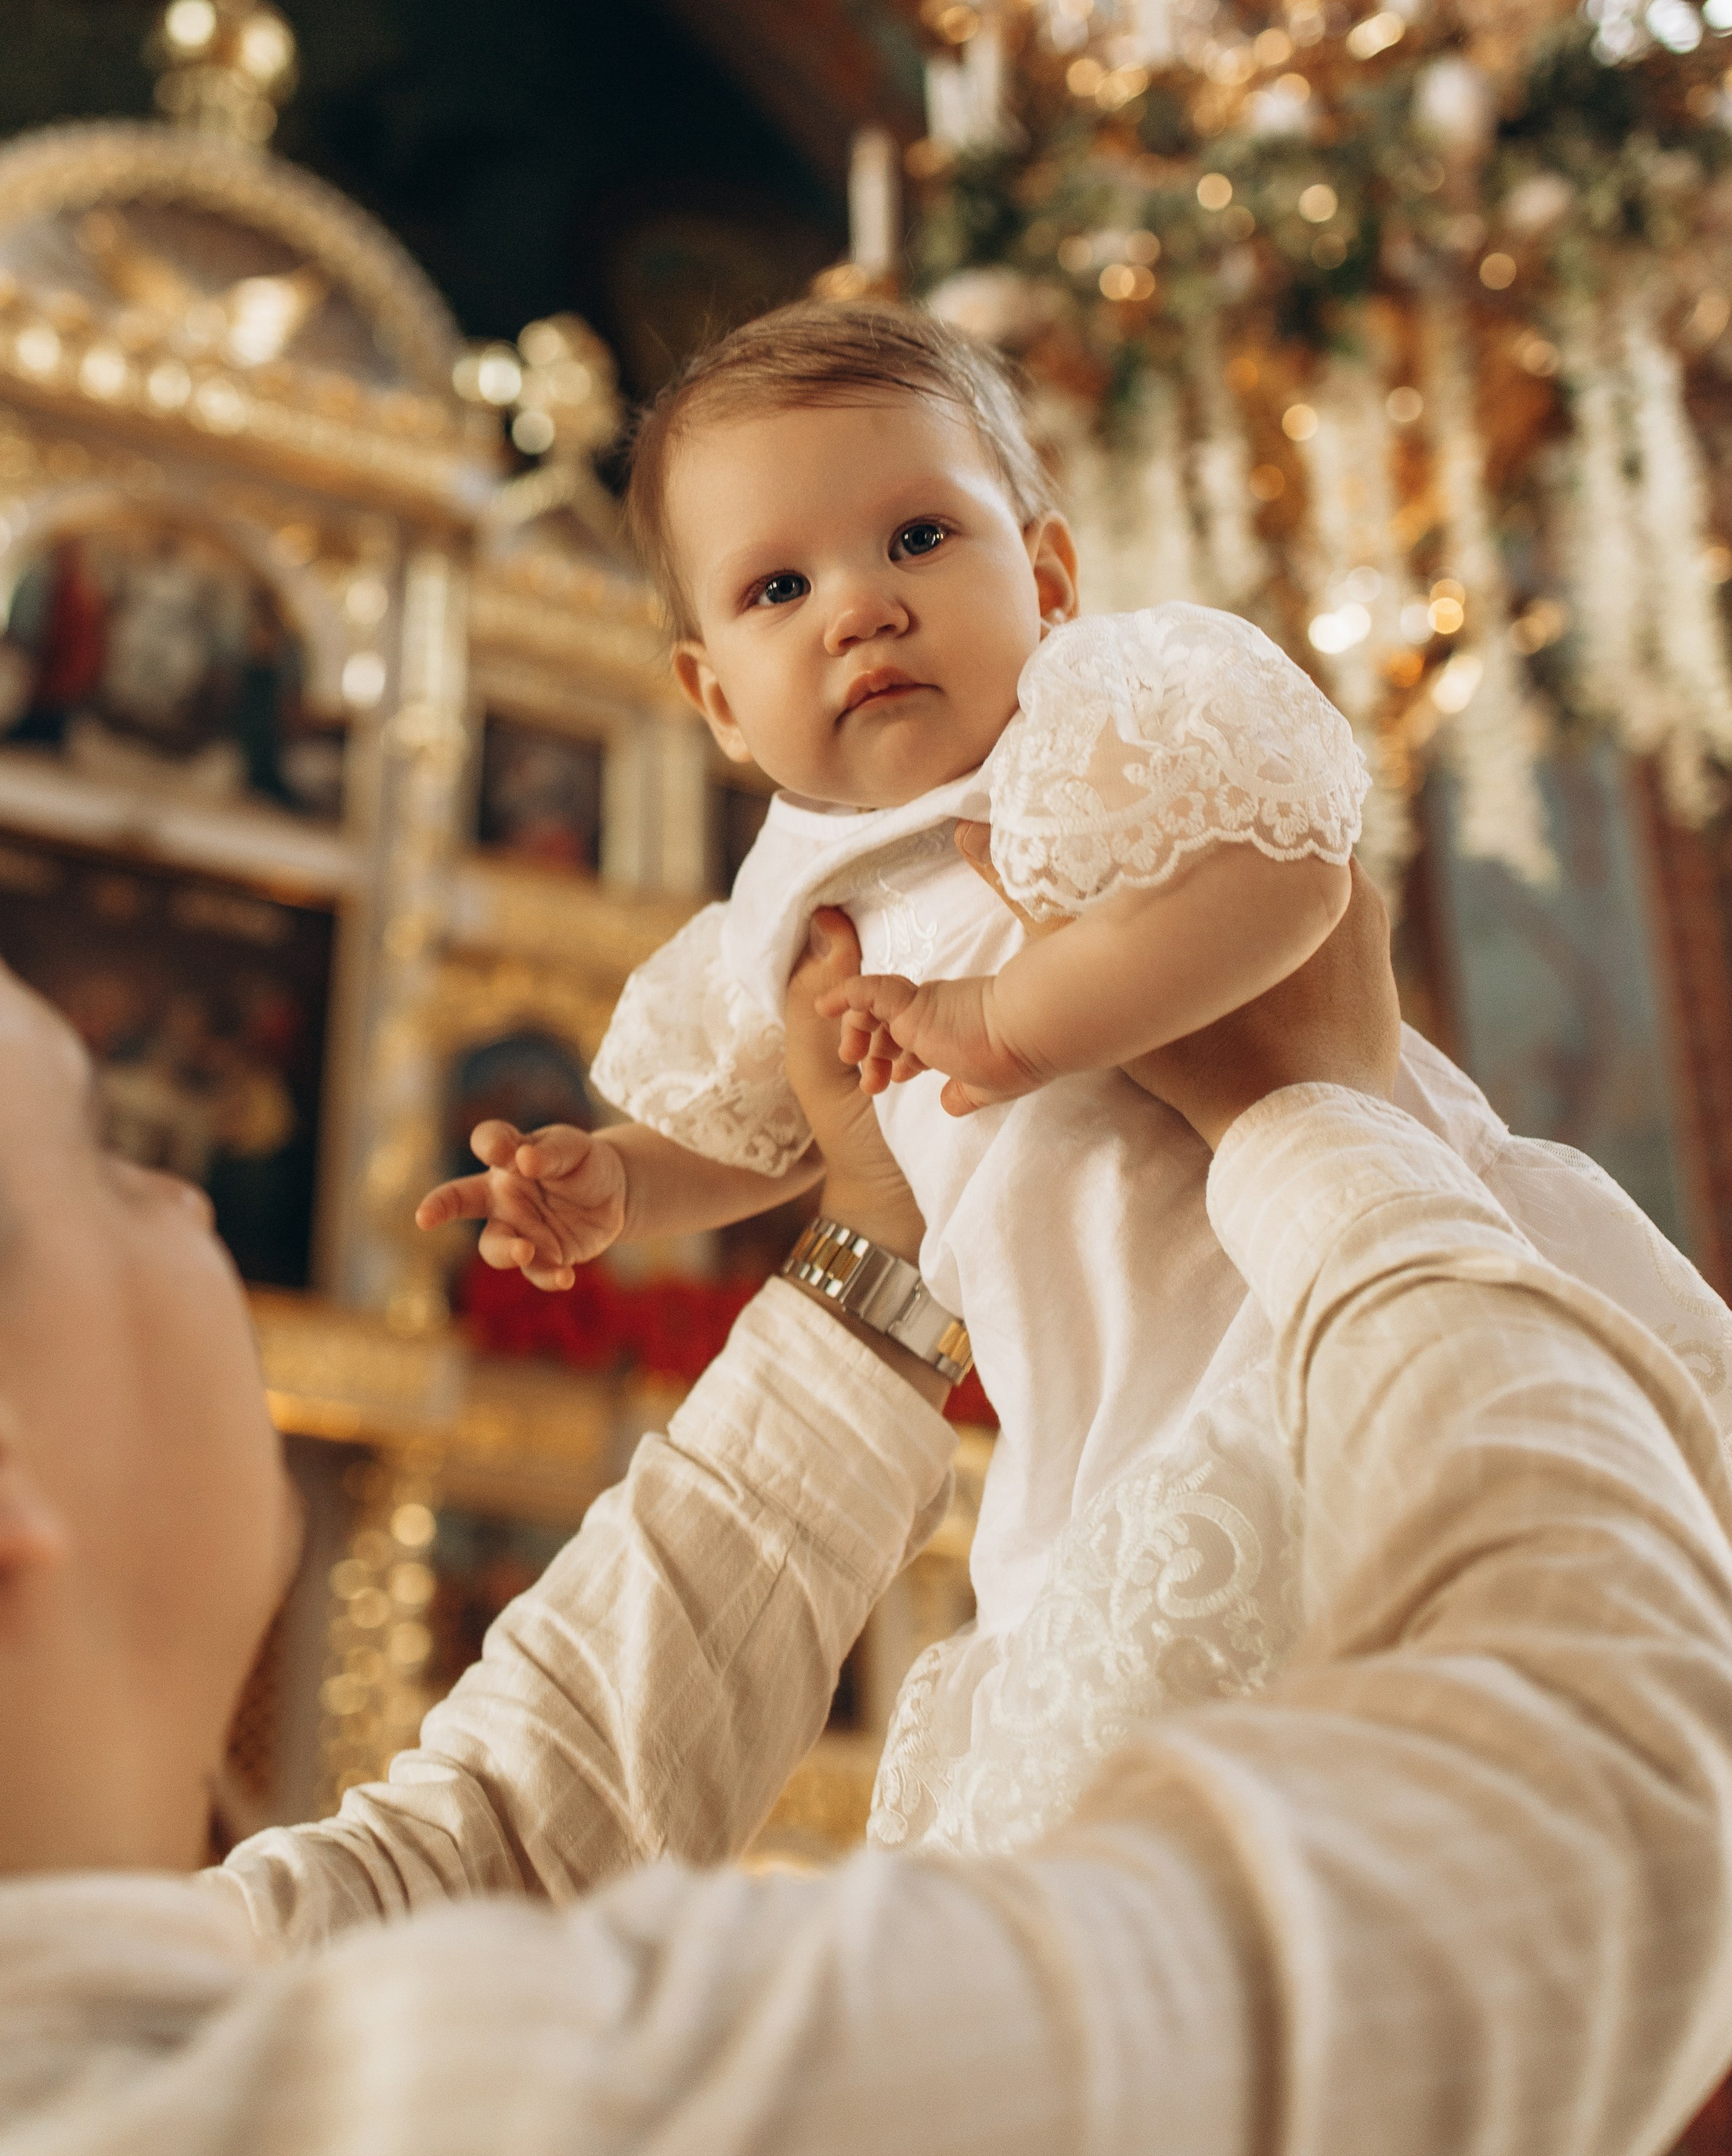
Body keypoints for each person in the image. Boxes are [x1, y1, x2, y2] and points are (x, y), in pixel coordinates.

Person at [0, 775, 1732, 2156]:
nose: (189, 1214)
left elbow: (504, 1846)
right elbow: (1578, 1831)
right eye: (100, 1154)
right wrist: (1331, 1129)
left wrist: (876, 1242)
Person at [419, 303, 1732, 1851]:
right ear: (713, 696)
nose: (859, 610)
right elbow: (776, 1129)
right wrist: (623, 1184)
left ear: (1042, 579)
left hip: (1301, 1274)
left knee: (1446, 1606)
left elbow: (1290, 888)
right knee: (1163, 1729)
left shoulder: (1094, 725)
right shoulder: (776, 913)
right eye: (780, 587)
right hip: (1093, 1399)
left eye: (915, 538)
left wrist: (1012, 1021)